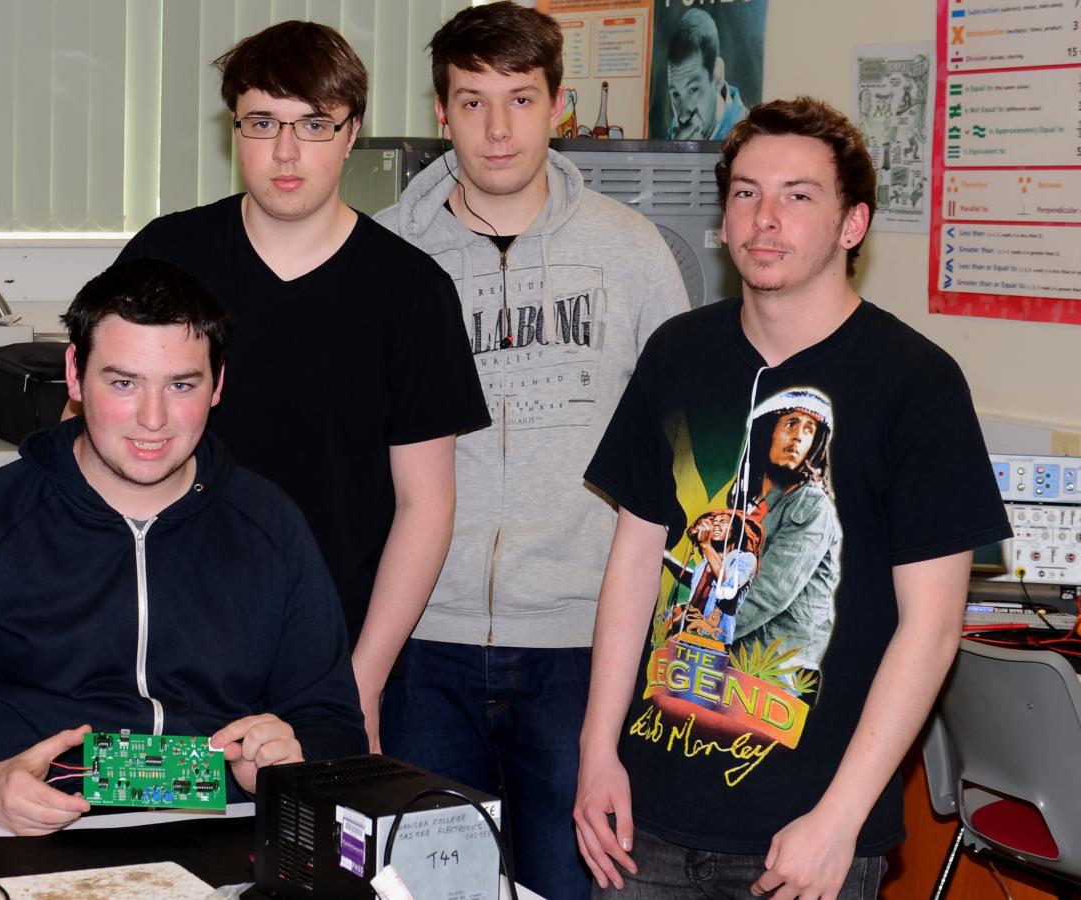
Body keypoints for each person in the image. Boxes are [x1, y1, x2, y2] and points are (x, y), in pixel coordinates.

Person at [573, 97, 1012, 898]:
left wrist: (840, 819)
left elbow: (932, 628)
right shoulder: (677, 354)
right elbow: (634, 562)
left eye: (798, 195)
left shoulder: (917, 385)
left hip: (805, 835)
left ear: (852, 224)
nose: (765, 218)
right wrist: (597, 753)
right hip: (646, 820)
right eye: (746, 193)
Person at [0, 257, 367, 833]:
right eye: (123, 383)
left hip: (221, 835)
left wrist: (289, 765)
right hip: (28, 842)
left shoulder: (271, 527)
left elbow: (333, 723)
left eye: (181, 385)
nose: (153, 419)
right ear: (75, 375)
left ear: (218, 385)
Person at [372, 6, 687, 897]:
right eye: (472, 102)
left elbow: (680, 460)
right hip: (423, 641)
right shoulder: (386, 255)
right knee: (426, 891)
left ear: (558, 104)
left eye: (520, 99)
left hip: (582, 644)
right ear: (442, 113)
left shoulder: (633, 254)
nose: (498, 129)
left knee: (573, 886)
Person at [118, 20, 490, 753]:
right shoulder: (167, 257)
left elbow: (427, 504)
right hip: (158, 654)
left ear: (351, 135)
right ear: (235, 130)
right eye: (263, 123)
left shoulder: (410, 292)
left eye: (314, 125)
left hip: (327, 661)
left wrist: (361, 683)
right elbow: (97, 442)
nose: (286, 152)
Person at [664, 7, 746, 141]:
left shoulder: (749, 139)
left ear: (717, 75)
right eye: (676, 95)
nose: (683, 117)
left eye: (693, 90)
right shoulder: (674, 132)